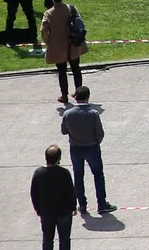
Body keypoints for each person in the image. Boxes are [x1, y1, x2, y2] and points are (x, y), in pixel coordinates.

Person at [60, 86, 113, 217]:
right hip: (92, 148)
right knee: (98, 175)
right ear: (88, 97)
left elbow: (64, 131)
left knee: (78, 176)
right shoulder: (93, 114)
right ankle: (101, 203)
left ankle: (82, 204)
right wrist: (95, 142)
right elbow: (100, 133)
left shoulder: (68, 114)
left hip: (75, 148)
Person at [40, 0, 86, 104]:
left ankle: (64, 95)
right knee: (76, 69)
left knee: (62, 72)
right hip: (73, 44)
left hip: (58, 46)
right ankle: (79, 94)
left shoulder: (49, 13)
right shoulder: (71, 8)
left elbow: (43, 31)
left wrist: (48, 41)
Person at [31, 143, 76, 250]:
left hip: (46, 213)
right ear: (59, 158)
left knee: (47, 239)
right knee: (64, 240)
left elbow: (34, 193)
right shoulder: (64, 173)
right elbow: (71, 191)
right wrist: (73, 207)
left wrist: (38, 209)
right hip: (64, 212)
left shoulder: (39, 173)